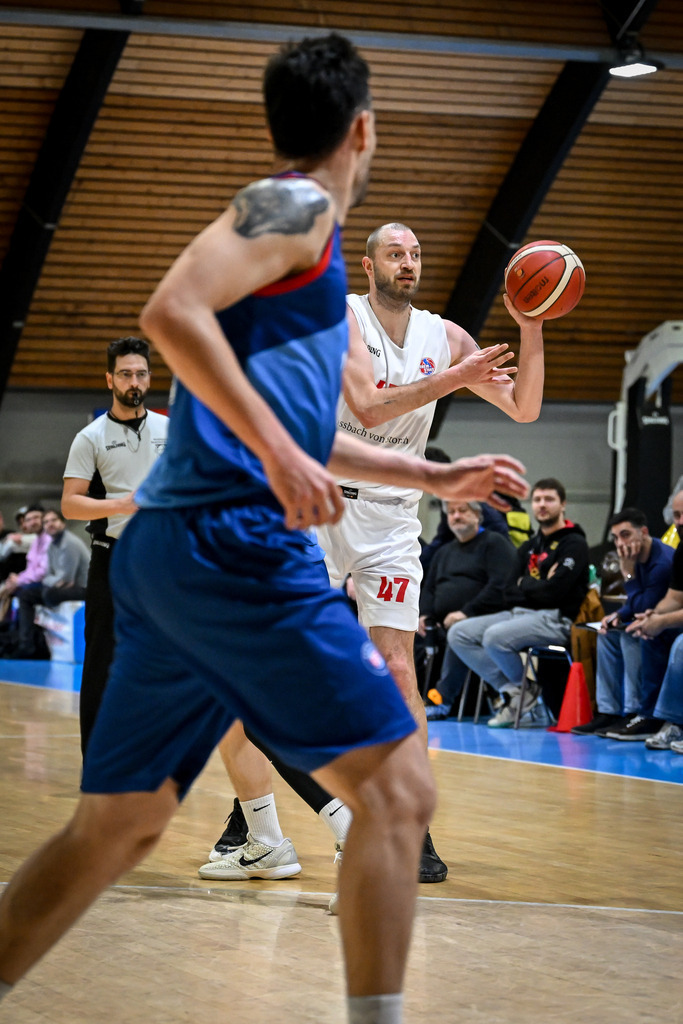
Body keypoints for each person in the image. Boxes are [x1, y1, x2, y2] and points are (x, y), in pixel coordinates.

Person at [0, 33, 529, 1024]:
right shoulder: (297, 205)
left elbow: (313, 431)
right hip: (232, 543)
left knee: (118, 824)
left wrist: (432, 469)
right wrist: (279, 459)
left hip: (170, 553)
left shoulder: (310, 260)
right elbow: (169, 312)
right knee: (400, 796)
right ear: (361, 129)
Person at [315, 219, 545, 877]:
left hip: (390, 520)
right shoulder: (343, 320)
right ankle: (252, 816)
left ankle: (412, 825)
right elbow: (376, 409)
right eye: (395, 253)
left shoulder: (445, 338)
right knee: (283, 662)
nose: (407, 262)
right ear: (368, 264)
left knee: (396, 668)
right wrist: (455, 378)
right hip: (320, 507)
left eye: (415, 253)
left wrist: (530, 324)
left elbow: (523, 407)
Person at [61, 336, 169, 754]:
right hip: (113, 563)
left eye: (140, 373)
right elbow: (70, 504)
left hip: (162, 565)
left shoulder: (169, 429)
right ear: (110, 379)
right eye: (125, 374)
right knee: (102, 666)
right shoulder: (90, 437)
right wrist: (123, 503)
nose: (134, 381)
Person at [449, 478, 590, 727]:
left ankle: (522, 694)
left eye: (549, 499)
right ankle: (519, 691)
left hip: (555, 618)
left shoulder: (574, 544)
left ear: (563, 504)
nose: (542, 505)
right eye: (537, 500)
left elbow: (555, 593)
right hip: (517, 614)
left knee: (494, 637)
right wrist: (536, 585)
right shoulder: (529, 546)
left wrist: (526, 584)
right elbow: (508, 592)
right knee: (459, 633)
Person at [571, 507, 674, 740]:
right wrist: (617, 615)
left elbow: (646, 606)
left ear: (644, 532)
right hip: (649, 619)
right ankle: (609, 711)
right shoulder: (637, 556)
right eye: (616, 537)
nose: (620, 543)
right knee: (606, 633)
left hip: (668, 628)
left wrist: (627, 573)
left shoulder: (661, 563)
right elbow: (635, 605)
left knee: (631, 634)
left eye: (625, 535)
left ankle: (636, 712)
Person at [417, 499, 519, 720]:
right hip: (443, 622)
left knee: (460, 630)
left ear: (477, 515)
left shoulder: (495, 543)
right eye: (451, 512)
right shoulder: (444, 552)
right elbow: (429, 588)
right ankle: (414, 697)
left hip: (487, 616)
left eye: (462, 510)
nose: (456, 516)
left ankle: (442, 700)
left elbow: (500, 586)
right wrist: (424, 614)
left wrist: (467, 612)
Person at [13, 509, 90, 658]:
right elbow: (49, 575)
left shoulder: (69, 542)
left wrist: (51, 581)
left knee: (48, 593)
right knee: (26, 594)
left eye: (53, 520)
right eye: (46, 522)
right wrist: (52, 581)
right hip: (61, 586)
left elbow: (67, 579)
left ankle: (29, 644)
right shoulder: (53, 544)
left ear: (63, 522)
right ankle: (26, 644)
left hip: (81, 588)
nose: (50, 524)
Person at [0, 505, 50, 607]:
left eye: (35, 518)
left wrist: (18, 580)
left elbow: (43, 571)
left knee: (23, 593)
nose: (29, 524)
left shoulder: (48, 538)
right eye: (26, 520)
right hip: (29, 579)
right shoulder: (36, 541)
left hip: (49, 583)